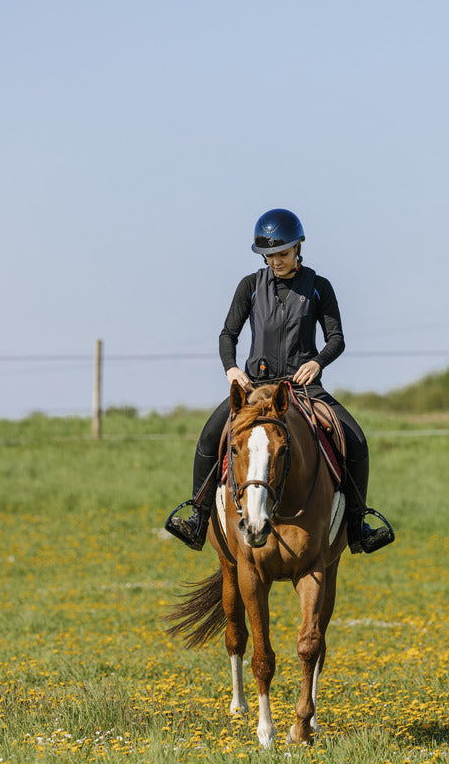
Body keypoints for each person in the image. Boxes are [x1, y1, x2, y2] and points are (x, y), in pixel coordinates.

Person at [166, 208, 394, 555]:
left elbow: (337, 338)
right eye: (269, 256)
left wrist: (317, 362)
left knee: (356, 440)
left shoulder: (319, 287)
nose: (276, 262)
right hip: (254, 387)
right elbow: (228, 334)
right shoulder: (249, 287)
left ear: (298, 247)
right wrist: (231, 369)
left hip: (302, 388)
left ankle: (359, 523)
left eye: (282, 254)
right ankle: (197, 515)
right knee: (211, 434)